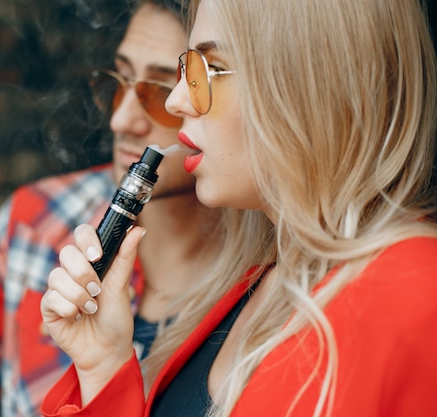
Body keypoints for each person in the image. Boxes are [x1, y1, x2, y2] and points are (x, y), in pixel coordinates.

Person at [40, 0, 437, 416]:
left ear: (314, 87)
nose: (178, 102)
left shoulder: (415, 292)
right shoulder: (259, 277)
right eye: (187, 66)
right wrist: (103, 369)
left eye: (209, 69)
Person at [0, 1, 224, 416]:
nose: (121, 119)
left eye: (158, 92)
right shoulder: (36, 221)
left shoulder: (269, 281)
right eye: (117, 82)